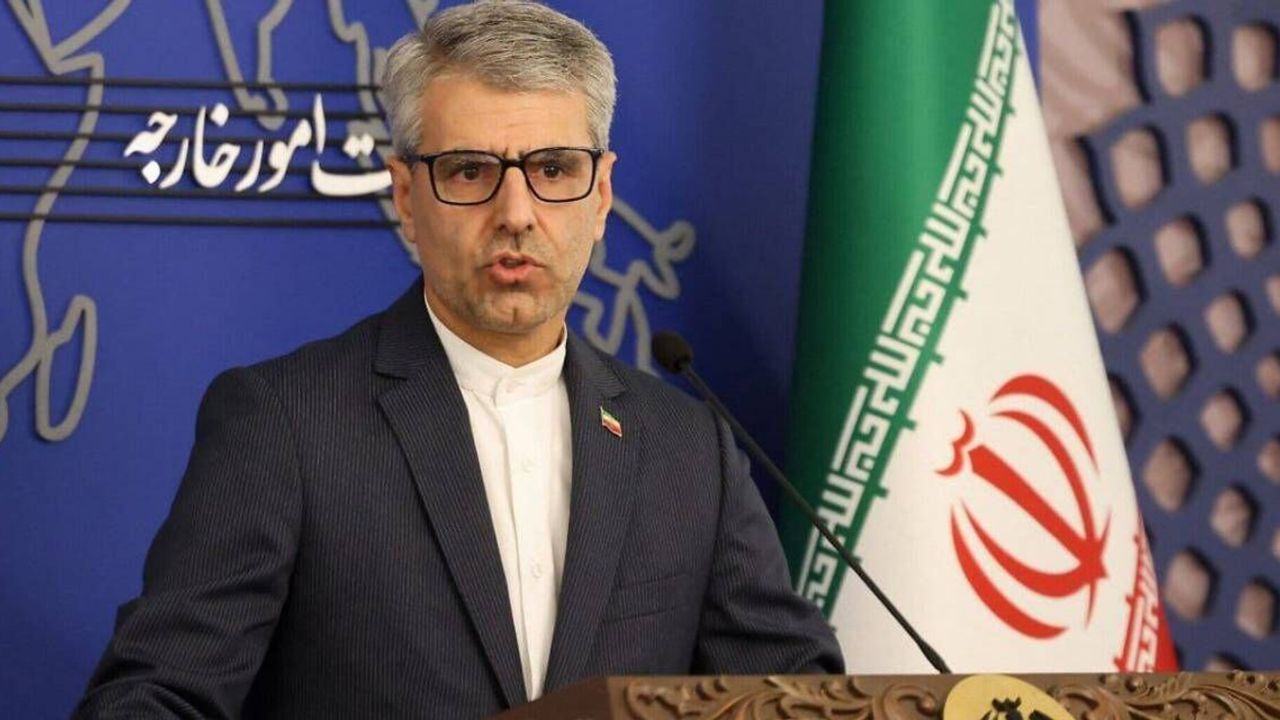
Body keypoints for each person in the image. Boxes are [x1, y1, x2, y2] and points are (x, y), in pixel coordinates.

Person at [75, 2, 842, 717]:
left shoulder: (689, 450)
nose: (517, 215)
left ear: (602, 194)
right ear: (407, 196)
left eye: (553, 170)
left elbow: (797, 695)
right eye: (471, 171)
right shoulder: (286, 424)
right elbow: (153, 696)